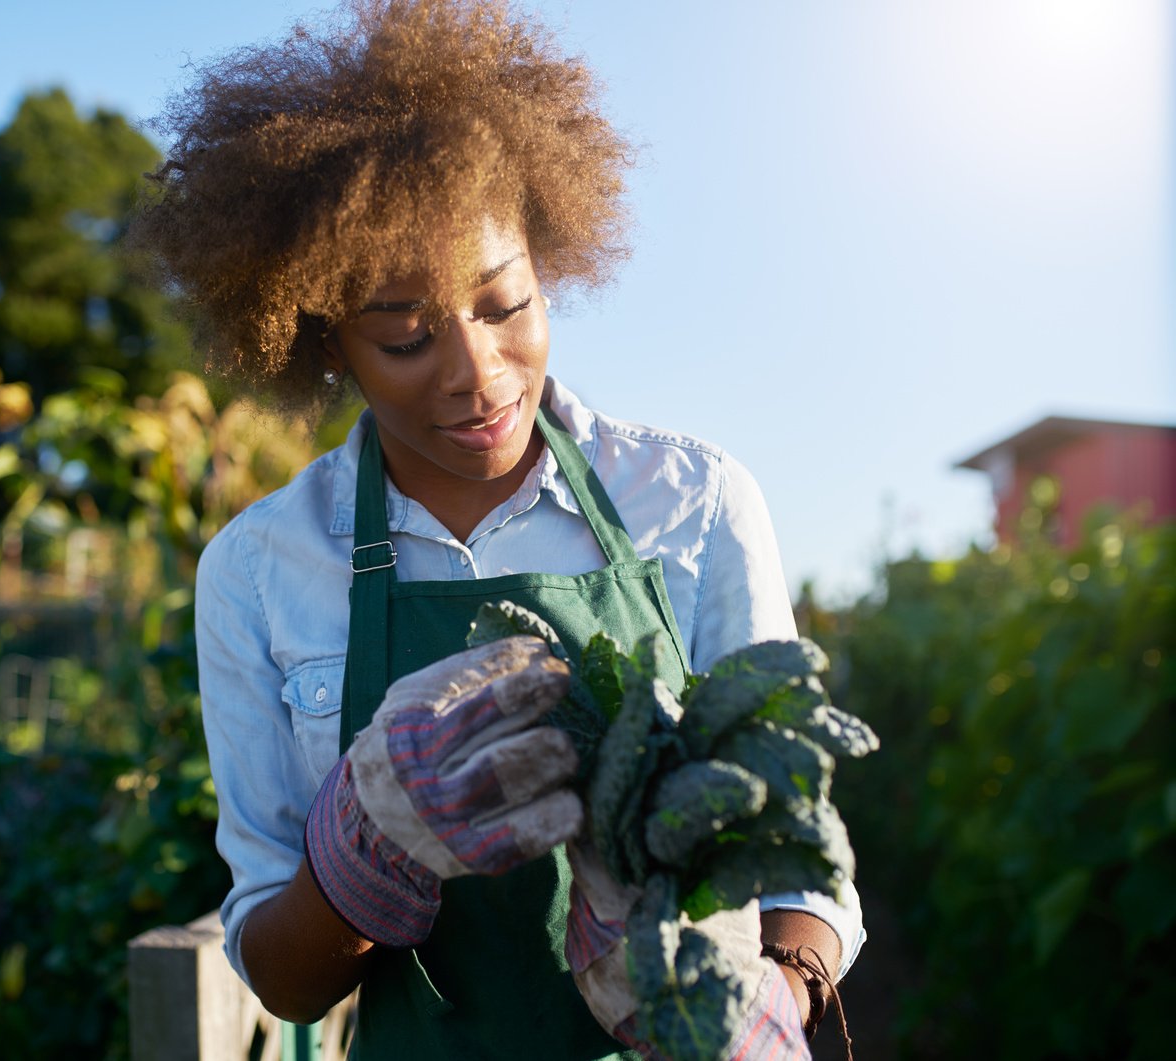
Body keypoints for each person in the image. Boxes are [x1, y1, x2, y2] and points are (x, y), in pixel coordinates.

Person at [136, 2, 864, 1057]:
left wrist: (771, 1001)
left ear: (546, 265)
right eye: (404, 335)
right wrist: (363, 849)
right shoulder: (258, 571)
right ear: (327, 341)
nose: (478, 375)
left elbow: (797, 854)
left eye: (505, 303)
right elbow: (282, 979)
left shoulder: (694, 503)